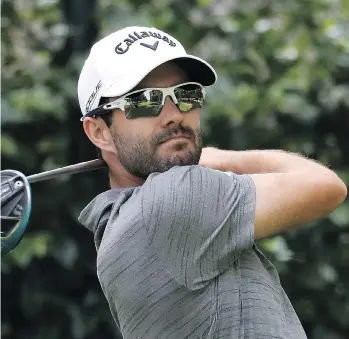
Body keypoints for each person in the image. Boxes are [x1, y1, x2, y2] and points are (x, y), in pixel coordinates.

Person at [77, 26, 347, 339]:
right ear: (99, 132)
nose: (174, 114)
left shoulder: (116, 228)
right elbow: (326, 185)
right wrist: (221, 157)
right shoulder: (173, 198)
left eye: (185, 94)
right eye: (145, 100)